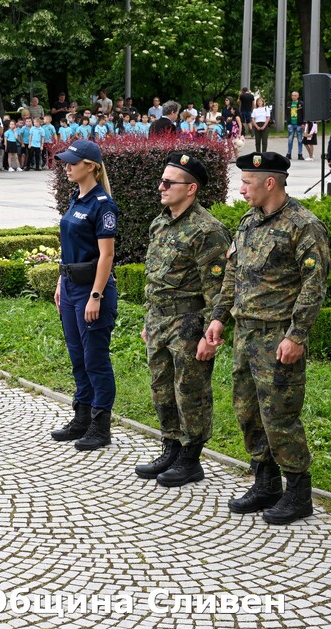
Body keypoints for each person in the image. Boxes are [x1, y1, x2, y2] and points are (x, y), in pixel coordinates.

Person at [205, 152, 330, 525]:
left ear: (269, 182)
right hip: (245, 335)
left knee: (280, 416)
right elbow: (232, 274)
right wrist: (218, 317)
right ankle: (265, 482)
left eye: (246, 182)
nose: (241, 189)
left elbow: (314, 286)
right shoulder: (248, 223)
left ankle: (298, 492)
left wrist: (297, 335)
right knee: (247, 411)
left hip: (277, 338)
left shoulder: (303, 226)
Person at [135, 153, 231, 486]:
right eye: (161, 180)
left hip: (189, 325)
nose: (161, 187)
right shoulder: (161, 222)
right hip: (159, 322)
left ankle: (191, 459)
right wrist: (150, 321)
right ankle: (171, 446)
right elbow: (155, 278)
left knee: (190, 392)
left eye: (168, 182)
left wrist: (209, 335)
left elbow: (217, 290)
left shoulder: (207, 231)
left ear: (191, 189)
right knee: (161, 389)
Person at [50, 140, 119, 451]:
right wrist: (60, 283)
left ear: (91, 166)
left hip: (93, 290)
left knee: (95, 360)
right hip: (71, 289)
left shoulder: (102, 204)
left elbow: (106, 256)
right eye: (65, 162)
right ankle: (81, 418)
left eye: (72, 163)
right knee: (78, 357)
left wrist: (96, 295)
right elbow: (68, 249)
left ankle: (100, 427)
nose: (67, 167)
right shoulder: (76, 199)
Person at [285, 91, 304, 161]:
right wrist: (288, 121)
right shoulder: (289, 104)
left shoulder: (301, 104)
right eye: (292, 95)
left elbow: (303, 113)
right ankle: (289, 154)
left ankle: (300, 154)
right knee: (290, 140)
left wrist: (303, 123)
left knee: (300, 140)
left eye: (295, 95)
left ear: (298, 96)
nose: (293, 97)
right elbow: (287, 113)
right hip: (291, 124)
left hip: (299, 124)